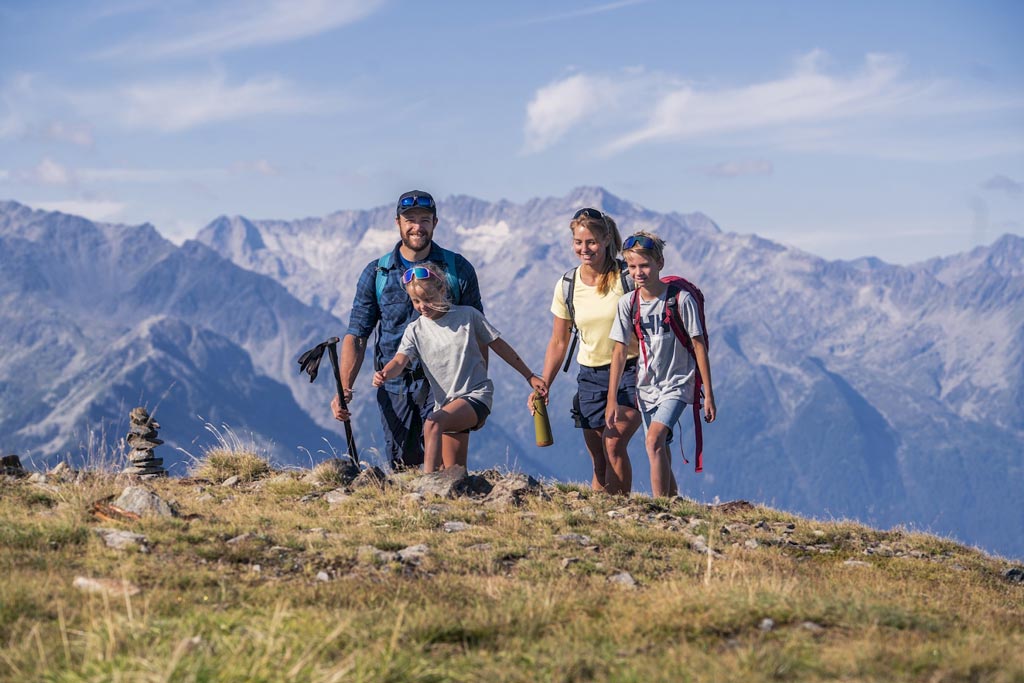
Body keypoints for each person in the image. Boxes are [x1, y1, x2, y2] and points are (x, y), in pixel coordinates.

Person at [332, 190, 483, 470]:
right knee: (404, 467)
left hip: (445, 384)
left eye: (424, 219)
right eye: (410, 219)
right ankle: (414, 514)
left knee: (446, 469)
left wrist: (475, 387)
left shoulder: (457, 269)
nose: (417, 226)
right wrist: (344, 388)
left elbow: (477, 330)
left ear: (435, 223)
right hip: (395, 387)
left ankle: (449, 511)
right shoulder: (377, 273)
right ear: (397, 223)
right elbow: (357, 335)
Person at [374, 263, 547, 471]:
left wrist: (529, 376)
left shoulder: (468, 316)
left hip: (475, 395)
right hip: (446, 405)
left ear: (442, 289)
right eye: (416, 301)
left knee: (432, 423)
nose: (422, 306)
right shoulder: (415, 330)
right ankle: (446, 495)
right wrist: (385, 373)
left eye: (428, 299)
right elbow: (400, 361)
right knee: (453, 472)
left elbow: (500, 346)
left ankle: (426, 487)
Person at [529, 207, 641, 494]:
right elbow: (558, 341)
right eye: (578, 242)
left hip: (631, 371)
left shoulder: (627, 278)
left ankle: (621, 513)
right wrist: (545, 384)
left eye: (591, 242)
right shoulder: (567, 284)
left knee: (613, 442)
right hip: (590, 377)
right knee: (599, 461)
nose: (584, 249)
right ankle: (601, 519)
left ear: (605, 239)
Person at [606, 231, 717, 498]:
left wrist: (708, 394)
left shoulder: (680, 300)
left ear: (660, 264)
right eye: (632, 267)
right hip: (646, 386)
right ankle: (672, 501)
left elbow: (699, 346)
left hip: (678, 383)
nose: (638, 272)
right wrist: (612, 399)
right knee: (661, 447)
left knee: (654, 440)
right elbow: (619, 352)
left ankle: (659, 508)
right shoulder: (628, 304)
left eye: (644, 265)